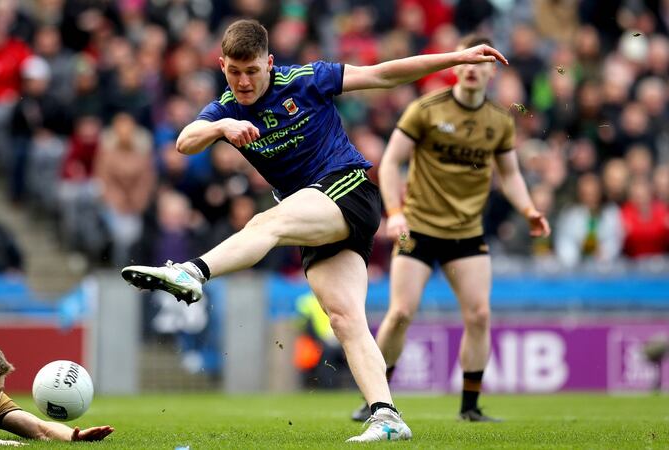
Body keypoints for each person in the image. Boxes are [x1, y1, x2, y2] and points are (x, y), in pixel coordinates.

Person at [121, 19, 507, 442]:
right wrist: (220, 127)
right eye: (234, 72)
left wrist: (455, 58)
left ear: (269, 63)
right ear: (221, 65)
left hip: (349, 191)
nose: (244, 81)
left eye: (252, 71)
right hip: (314, 217)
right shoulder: (226, 108)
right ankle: (386, 414)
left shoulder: (306, 79)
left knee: (267, 222)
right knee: (345, 319)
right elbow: (184, 142)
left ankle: (192, 272)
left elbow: (382, 74)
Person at [350, 34, 550, 424]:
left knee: (479, 316)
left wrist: (528, 209)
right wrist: (395, 212)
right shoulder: (425, 110)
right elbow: (389, 164)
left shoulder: (498, 121)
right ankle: (377, 399)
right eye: (468, 61)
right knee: (401, 313)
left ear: (492, 71)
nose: (473, 69)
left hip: (467, 232)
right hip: (415, 227)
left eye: (482, 63)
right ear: (455, 65)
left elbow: (509, 174)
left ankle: (470, 407)